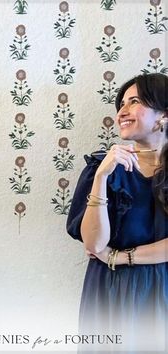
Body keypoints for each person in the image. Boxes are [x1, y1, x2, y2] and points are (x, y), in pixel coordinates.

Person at [66, 73, 168, 352]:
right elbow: (94, 244)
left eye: (134, 101)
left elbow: (105, 252)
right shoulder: (103, 167)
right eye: (120, 104)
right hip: (108, 289)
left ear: (164, 114)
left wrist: (119, 257)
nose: (122, 111)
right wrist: (101, 176)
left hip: (161, 288)